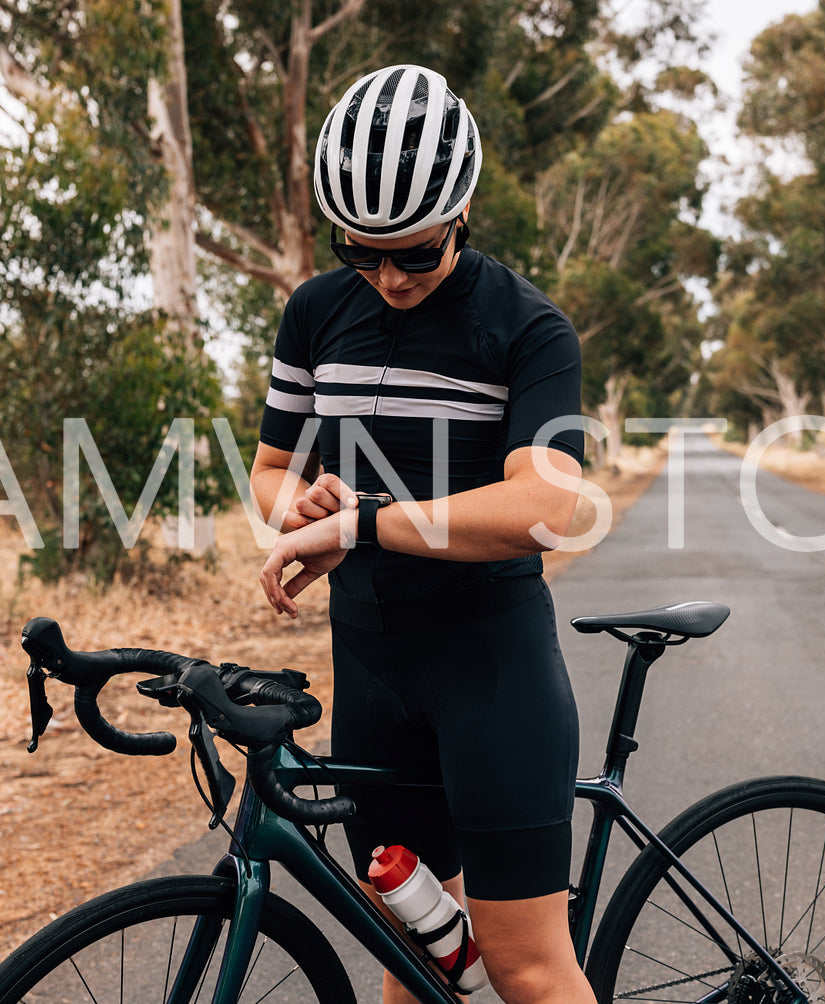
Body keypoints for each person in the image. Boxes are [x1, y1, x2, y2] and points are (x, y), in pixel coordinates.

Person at [250, 65, 597, 1003]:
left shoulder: (529, 331)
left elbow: (544, 507)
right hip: (369, 669)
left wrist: (363, 522)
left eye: (415, 252)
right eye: (362, 253)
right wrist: (305, 514)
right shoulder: (316, 312)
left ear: (462, 210)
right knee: (419, 963)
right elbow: (270, 474)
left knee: (524, 966)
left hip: (490, 671)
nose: (390, 278)